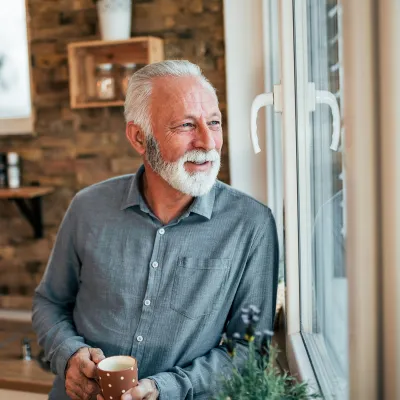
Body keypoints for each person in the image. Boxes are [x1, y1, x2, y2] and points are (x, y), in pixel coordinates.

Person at [32, 60, 279, 400]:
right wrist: (69, 354)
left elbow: (251, 351)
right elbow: (49, 303)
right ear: (139, 137)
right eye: (186, 125)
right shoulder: (87, 207)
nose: (208, 142)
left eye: (214, 122)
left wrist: (166, 388)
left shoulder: (252, 224)